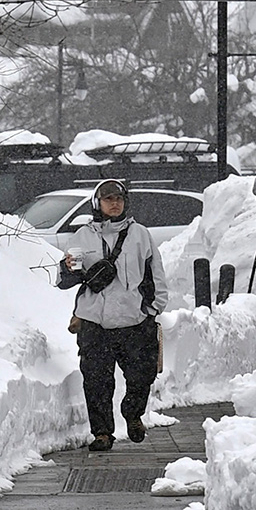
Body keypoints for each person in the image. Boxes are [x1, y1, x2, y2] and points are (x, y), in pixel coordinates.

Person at [58, 179, 168, 451]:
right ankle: (102, 433)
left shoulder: (140, 234)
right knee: (96, 380)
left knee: (141, 376)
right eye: (108, 199)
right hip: (94, 322)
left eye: (118, 198)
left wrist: (152, 309)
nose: (114, 203)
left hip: (134, 321)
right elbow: (66, 279)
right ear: (98, 203)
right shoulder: (82, 236)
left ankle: (132, 414)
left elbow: (156, 274)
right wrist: (69, 267)